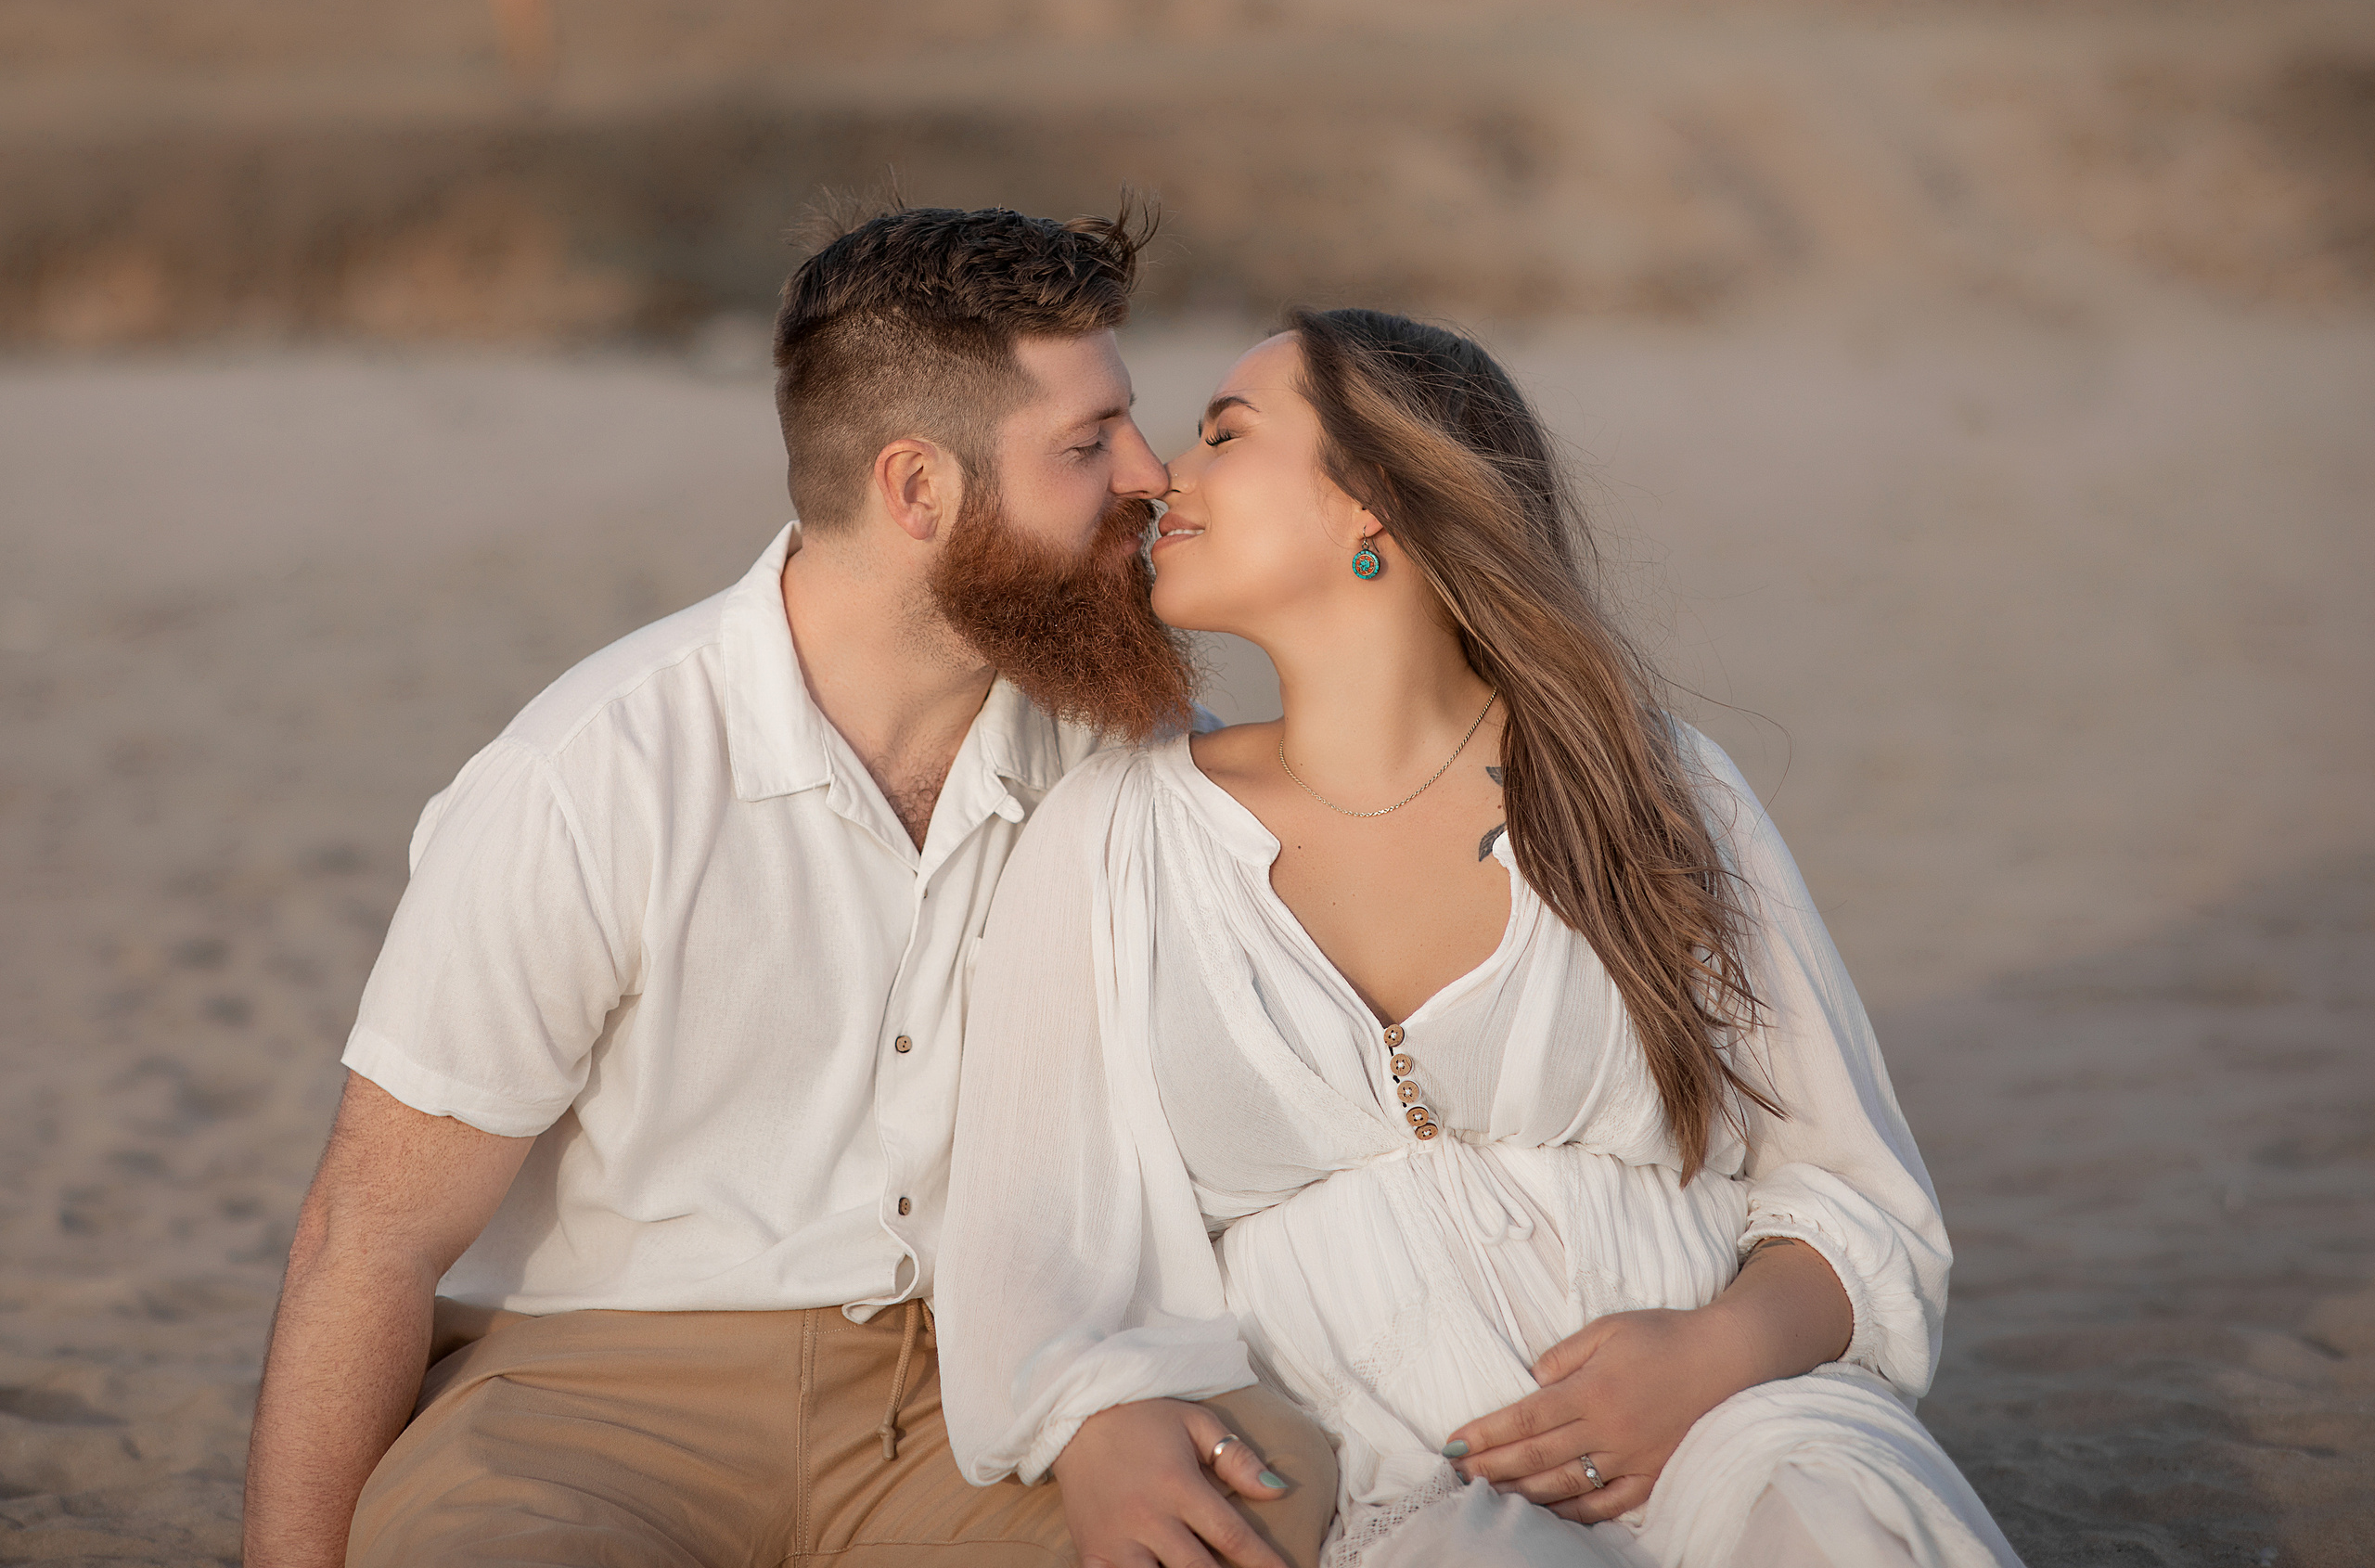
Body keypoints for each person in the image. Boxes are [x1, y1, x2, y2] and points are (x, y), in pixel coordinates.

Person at [241, 205, 1338, 1568]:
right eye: (1086, 442)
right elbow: (371, 1237)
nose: (1149, 471)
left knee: (1257, 1507)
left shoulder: (1116, 742)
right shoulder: (593, 775)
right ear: (917, 489)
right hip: (594, 1402)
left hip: (977, 1395)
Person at [935, 309, 2027, 1567]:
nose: (1165, 477)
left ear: (1375, 499)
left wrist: (1712, 1357)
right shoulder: (1118, 833)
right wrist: (1091, 1423)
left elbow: (1854, 1196)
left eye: (1225, 435)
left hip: (1739, 1425)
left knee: (1842, 1530)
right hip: (1405, 1487)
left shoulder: (1647, 787)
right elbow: (1029, 1246)